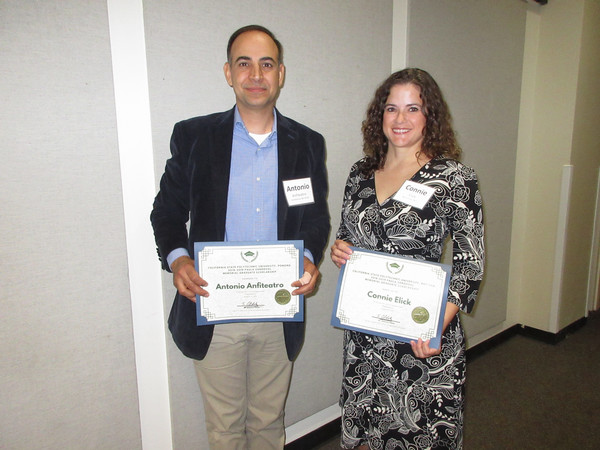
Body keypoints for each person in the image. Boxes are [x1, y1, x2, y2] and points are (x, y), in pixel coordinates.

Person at [150, 25, 330, 449]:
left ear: (280, 73)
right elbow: (167, 211)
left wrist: (308, 258)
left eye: (266, 64)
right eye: (243, 63)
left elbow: (314, 219)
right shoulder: (195, 137)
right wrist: (179, 260)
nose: (255, 74)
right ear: (228, 73)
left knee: (269, 425)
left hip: (278, 306)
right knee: (226, 429)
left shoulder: (306, 143)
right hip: (215, 306)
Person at [330, 68, 485, 449]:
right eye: (391, 108)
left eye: (412, 108)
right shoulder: (360, 173)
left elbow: (471, 265)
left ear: (429, 116)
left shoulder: (454, 178)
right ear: (378, 115)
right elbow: (348, 237)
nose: (400, 120)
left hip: (421, 339)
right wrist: (340, 251)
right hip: (365, 338)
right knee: (366, 436)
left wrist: (434, 326)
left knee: (419, 436)